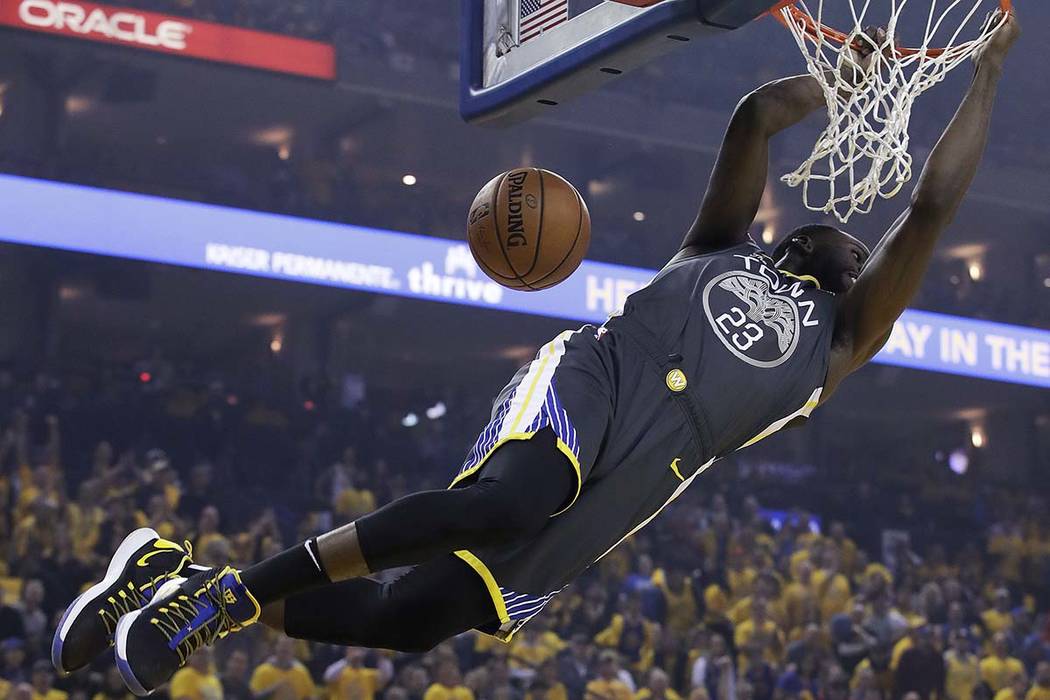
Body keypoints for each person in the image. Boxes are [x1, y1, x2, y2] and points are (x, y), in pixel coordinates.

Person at [53, 11, 1022, 696]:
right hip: (602, 376)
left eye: (865, 251)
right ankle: (221, 602)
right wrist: (834, 80)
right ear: (789, 238)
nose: (857, 243)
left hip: (646, 473)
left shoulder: (840, 344)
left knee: (411, 620)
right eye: (841, 235)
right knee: (514, 496)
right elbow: (756, 117)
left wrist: (981, 78)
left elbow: (931, 210)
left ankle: (169, 575)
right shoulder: (723, 245)